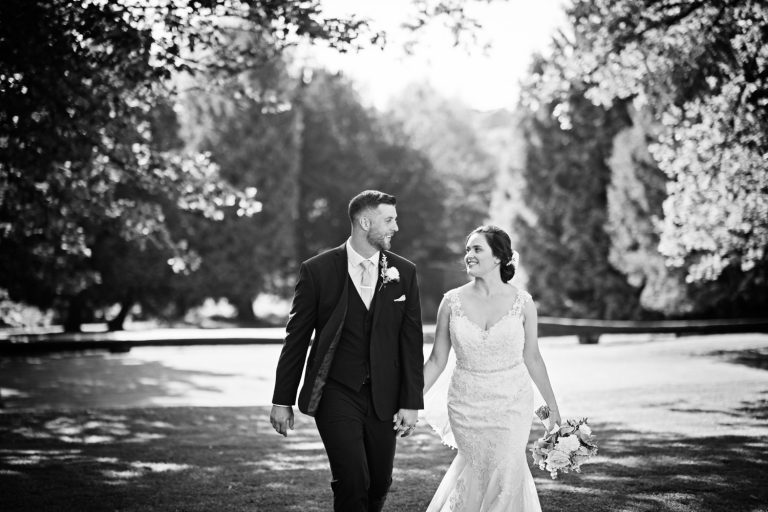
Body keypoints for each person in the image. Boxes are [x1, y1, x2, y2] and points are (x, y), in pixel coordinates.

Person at [270, 190, 425, 512]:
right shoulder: (318, 270)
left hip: (384, 396)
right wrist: (281, 400)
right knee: (352, 481)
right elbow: (296, 339)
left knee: (379, 483)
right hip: (335, 391)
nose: (396, 227)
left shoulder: (404, 272)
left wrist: (411, 402)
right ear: (364, 221)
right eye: (389, 220)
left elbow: (411, 343)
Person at [422, 225, 561, 512]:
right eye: (467, 250)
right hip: (465, 403)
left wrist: (552, 408)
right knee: (475, 469)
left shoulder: (523, 303)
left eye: (476, 249)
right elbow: (437, 360)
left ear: (498, 257)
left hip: (512, 403)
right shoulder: (451, 302)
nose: (468, 255)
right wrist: (408, 400)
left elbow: (533, 358)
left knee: (508, 469)